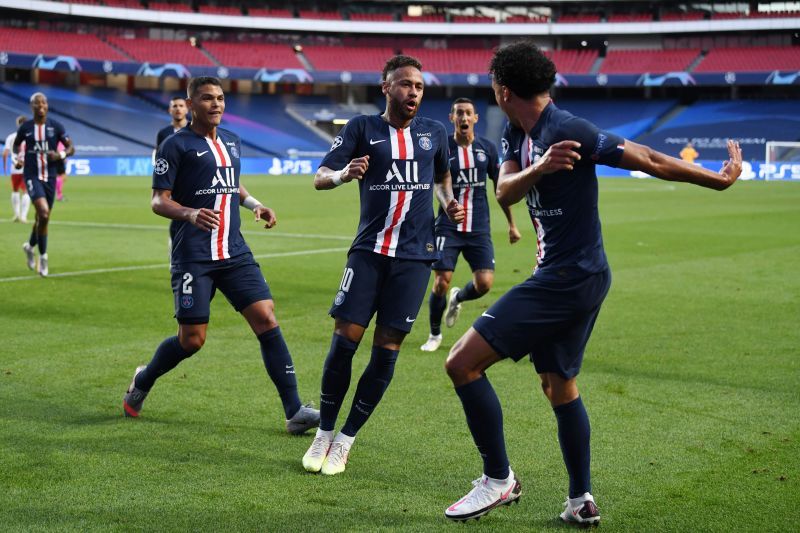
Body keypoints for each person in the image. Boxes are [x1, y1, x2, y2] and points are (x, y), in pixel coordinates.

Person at [442, 41, 742, 524]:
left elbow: (646, 157)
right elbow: (504, 190)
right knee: (559, 385)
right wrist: (541, 167)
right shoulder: (515, 133)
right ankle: (580, 500)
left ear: (502, 90)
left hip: (568, 277)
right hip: (570, 275)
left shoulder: (569, 129)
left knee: (462, 363)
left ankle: (499, 481)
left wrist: (715, 179)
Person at [122, 76, 320, 436]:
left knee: (266, 316)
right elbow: (157, 200)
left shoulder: (232, 140)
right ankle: (143, 379)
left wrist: (255, 204)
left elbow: (232, 182)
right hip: (193, 255)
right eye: (208, 98)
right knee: (192, 340)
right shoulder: (174, 145)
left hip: (234, 250)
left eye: (221, 98)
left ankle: (294, 410)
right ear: (191, 103)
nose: (216, 104)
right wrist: (190, 213)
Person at [302, 55, 465, 475]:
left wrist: (449, 205)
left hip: (414, 259)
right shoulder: (362, 128)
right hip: (369, 252)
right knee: (344, 342)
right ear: (386, 86)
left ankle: (346, 439)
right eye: (406, 84)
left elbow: (442, 179)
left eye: (419, 87)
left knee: (386, 352)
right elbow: (319, 176)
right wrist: (344, 175)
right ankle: (324, 432)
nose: (414, 92)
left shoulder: (435, 133)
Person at [420, 97, 521, 352]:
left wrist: (512, 224)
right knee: (442, 279)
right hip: (448, 227)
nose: (464, 118)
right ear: (451, 118)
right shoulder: (443, 150)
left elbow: (501, 190)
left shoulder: (487, 149)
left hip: (478, 228)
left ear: (476, 118)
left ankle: (459, 297)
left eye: (468, 114)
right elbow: (435, 186)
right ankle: (434, 335)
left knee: (484, 284)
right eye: (459, 114)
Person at [14, 93, 74, 277]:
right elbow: (17, 146)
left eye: (43, 102)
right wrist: (20, 157)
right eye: (36, 103)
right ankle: (44, 257)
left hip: (50, 177)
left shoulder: (56, 126)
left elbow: (71, 148)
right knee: (43, 212)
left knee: (42, 219)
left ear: (47, 106)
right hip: (32, 175)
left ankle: (30, 246)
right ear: (31, 106)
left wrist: (61, 155)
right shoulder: (26, 127)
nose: (40, 105)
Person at [3, 115, 30, 222]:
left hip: (15, 168)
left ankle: (16, 215)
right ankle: (23, 216)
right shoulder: (30, 136)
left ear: (18, 124)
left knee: (15, 190)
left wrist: (5, 169)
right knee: (26, 191)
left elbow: (5, 153)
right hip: (27, 167)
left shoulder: (11, 137)